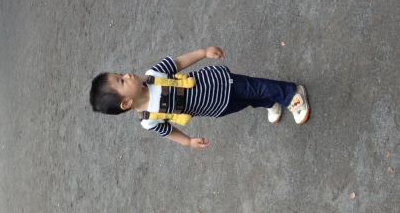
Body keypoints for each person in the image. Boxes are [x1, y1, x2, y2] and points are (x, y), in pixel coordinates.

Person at [89, 47, 309, 148]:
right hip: (215, 107)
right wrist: (189, 141)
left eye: (120, 74)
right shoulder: (148, 119)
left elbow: (178, 63)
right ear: (126, 103)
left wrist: (203, 52)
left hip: (218, 82)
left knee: (255, 87)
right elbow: (168, 132)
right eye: (122, 81)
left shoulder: (153, 75)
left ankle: (291, 94)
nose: (127, 75)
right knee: (248, 100)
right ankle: (271, 103)